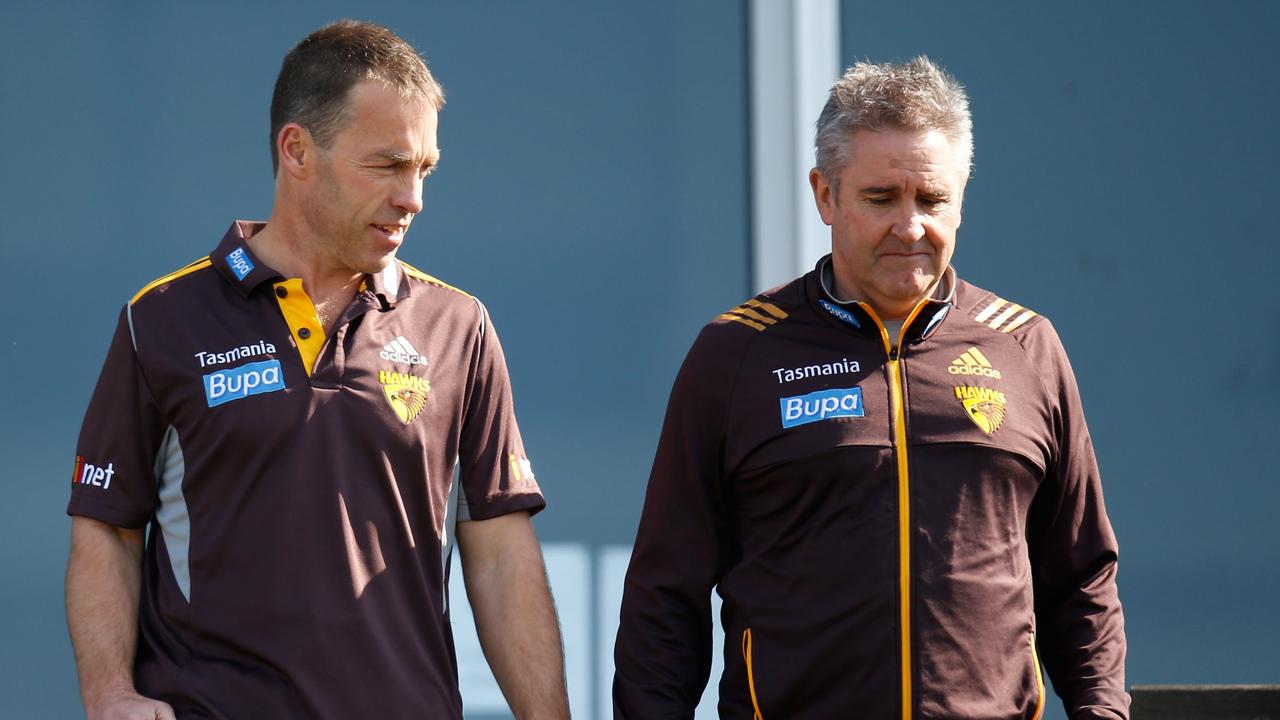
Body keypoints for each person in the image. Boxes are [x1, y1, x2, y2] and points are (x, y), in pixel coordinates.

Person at [65, 20, 569, 720]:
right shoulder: (161, 320)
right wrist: (110, 695)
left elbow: (501, 553)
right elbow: (107, 524)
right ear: (297, 150)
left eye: (425, 169)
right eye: (387, 165)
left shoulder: (460, 327)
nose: (413, 198)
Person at [614, 56, 1128, 718]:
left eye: (933, 199)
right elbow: (665, 595)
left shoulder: (1027, 347)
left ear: (962, 197)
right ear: (825, 194)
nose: (910, 227)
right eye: (881, 198)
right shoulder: (738, 352)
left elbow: (1081, 581)